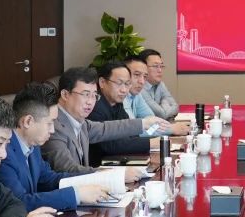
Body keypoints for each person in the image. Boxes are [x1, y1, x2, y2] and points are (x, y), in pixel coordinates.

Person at [0, 83, 113, 211]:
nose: (52, 130)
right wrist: (76, 195)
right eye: (49, 123)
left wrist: (94, 177)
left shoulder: (32, 144)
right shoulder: (3, 154)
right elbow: (20, 203)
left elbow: (48, 179)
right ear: (28, 121)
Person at [42, 66, 171, 175]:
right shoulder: (53, 126)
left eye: (94, 95)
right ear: (65, 94)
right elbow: (67, 170)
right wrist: (116, 175)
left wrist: (144, 123)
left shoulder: (80, 122)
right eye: (86, 94)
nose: (90, 102)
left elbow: (107, 128)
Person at [139, 49, 180, 120]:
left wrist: (163, 102)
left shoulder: (160, 84)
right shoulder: (139, 87)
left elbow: (175, 107)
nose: (160, 70)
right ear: (143, 67)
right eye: (155, 66)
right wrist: (165, 102)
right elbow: (161, 114)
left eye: (161, 66)